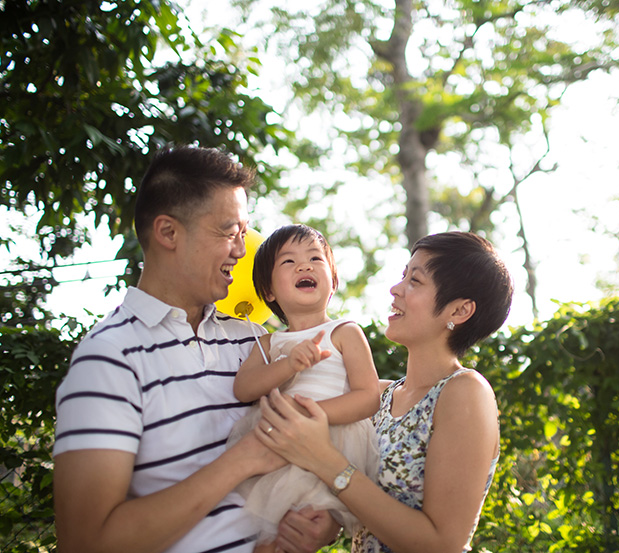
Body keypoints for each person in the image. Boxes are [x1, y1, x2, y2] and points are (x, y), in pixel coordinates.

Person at [52, 146, 340, 553]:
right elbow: (86, 542)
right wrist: (242, 459)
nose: (242, 251)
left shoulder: (257, 342)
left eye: (244, 233)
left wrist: (322, 522)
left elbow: (320, 450)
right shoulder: (108, 358)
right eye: (228, 232)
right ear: (168, 233)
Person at [255, 231, 514, 553]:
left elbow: (443, 544)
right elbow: (365, 502)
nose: (396, 289)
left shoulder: (465, 392)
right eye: (403, 275)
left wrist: (324, 460)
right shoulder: (371, 398)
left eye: (415, 281)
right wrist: (328, 525)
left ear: (459, 311)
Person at [227, 224, 380, 543]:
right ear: (269, 291)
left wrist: (310, 415)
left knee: (304, 525)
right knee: (268, 533)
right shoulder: (268, 343)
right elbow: (244, 389)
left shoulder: (345, 332)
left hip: (329, 443)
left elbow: (368, 397)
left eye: (315, 258)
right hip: (275, 446)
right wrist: (288, 365)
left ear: (333, 282)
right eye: (288, 261)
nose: (304, 265)